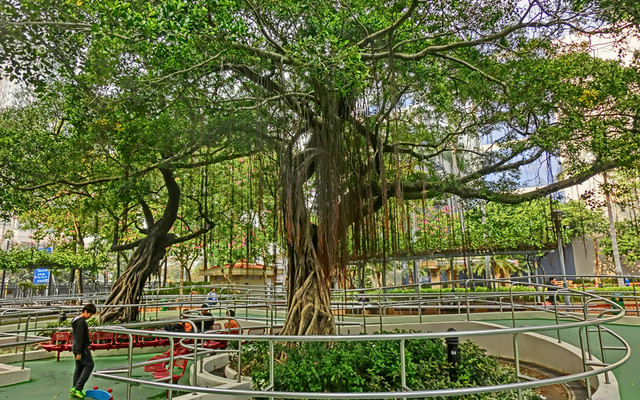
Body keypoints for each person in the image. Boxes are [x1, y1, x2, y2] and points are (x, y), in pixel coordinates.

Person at [70, 303, 97, 399]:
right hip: (81, 347)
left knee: (79, 367)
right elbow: (79, 337)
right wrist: (79, 352)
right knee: (90, 365)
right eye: (90, 314)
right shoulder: (81, 322)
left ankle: (75, 389)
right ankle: (78, 388)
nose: (90, 317)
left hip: (76, 346)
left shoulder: (76, 320)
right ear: (85, 311)